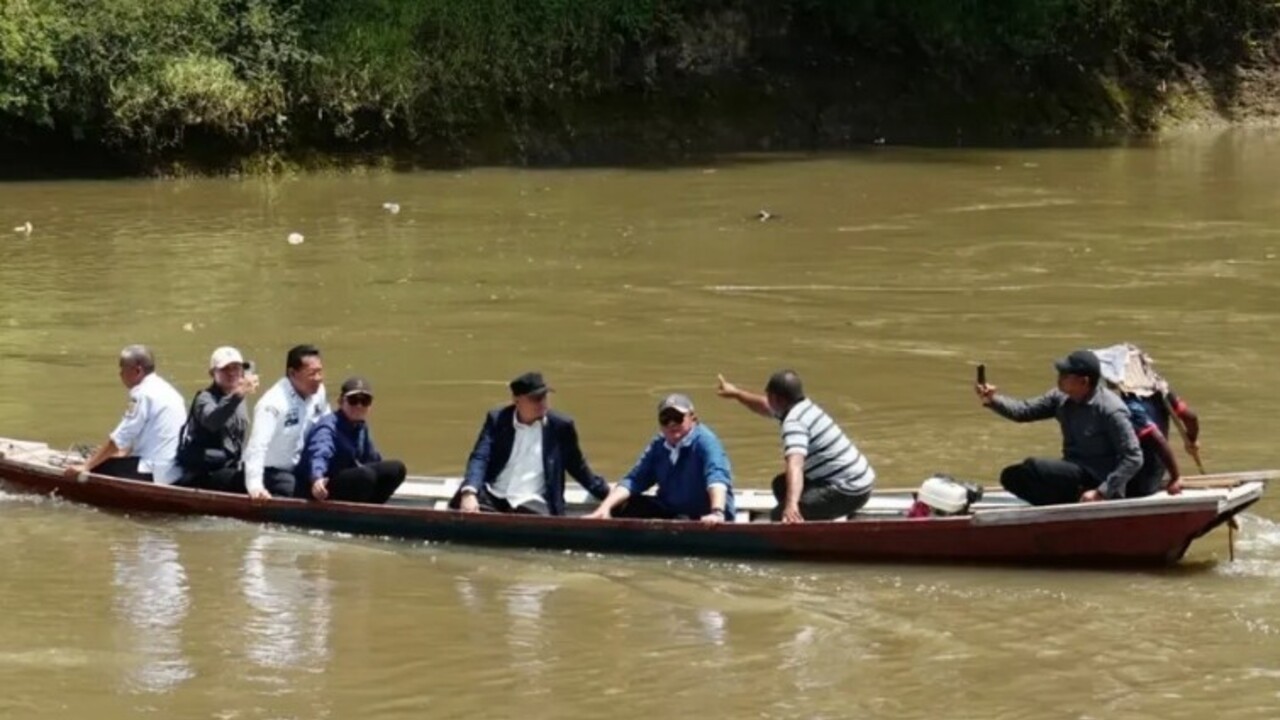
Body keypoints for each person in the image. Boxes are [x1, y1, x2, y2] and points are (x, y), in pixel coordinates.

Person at [977, 349, 1143, 505]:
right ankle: (1064, 506)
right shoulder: (1060, 398)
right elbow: (1023, 411)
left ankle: (1085, 500)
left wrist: (1101, 492)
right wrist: (993, 400)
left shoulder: (1111, 409)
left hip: (1099, 479)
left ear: (1083, 381)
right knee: (1011, 476)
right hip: (1073, 472)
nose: (1059, 378)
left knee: (1034, 465)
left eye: (1065, 375)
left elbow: (1133, 458)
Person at [718, 370, 875, 522]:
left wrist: (792, 506)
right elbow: (764, 406)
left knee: (779, 516)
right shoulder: (803, 406)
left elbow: (795, 464)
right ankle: (809, 520)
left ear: (777, 399)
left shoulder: (794, 423)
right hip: (857, 480)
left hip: (850, 490)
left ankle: (806, 534)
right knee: (781, 485)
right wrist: (736, 393)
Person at [453, 371, 610, 515]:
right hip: (495, 494)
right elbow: (480, 457)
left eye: (544, 397)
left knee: (537, 520)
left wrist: (606, 493)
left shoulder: (561, 426)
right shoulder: (497, 419)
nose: (542, 403)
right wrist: (469, 493)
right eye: (535, 399)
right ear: (516, 400)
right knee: (463, 509)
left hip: (534, 500)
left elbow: (578, 466)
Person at [586, 394, 734, 523]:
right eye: (665, 419)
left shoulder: (706, 441)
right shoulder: (659, 444)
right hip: (671, 511)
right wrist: (604, 508)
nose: (671, 424)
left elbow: (717, 478)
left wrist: (717, 512)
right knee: (623, 505)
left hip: (704, 516)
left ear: (693, 419)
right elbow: (634, 479)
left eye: (677, 417)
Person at [65, 345, 186, 483]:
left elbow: (121, 437)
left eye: (123, 369)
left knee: (98, 466)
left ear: (137, 371)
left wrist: (86, 466)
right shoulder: (166, 389)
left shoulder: (143, 394)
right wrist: (122, 453)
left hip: (154, 471)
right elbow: (145, 434)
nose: (120, 374)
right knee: (107, 458)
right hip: (173, 469)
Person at [297, 376, 407, 504]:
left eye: (365, 401)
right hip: (322, 486)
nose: (359, 406)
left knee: (396, 469)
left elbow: (372, 459)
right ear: (340, 401)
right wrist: (317, 478)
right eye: (353, 400)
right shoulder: (328, 427)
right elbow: (319, 453)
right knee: (365, 476)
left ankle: (374, 507)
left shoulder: (360, 426)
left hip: (351, 480)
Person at [242, 344, 329, 501]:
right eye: (312, 374)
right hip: (271, 471)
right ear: (292, 373)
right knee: (296, 489)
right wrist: (255, 487)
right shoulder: (272, 404)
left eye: (320, 372)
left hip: (301, 465)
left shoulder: (319, 392)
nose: (318, 378)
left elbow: (327, 428)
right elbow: (257, 448)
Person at [174, 346, 258, 492]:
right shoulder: (205, 398)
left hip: (230, 465)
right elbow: (212, 421)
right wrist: (237, 395)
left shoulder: (239, 396)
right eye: (225, 369)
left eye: (236, 368)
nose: (232, 373)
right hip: (206, 472)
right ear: (213, 373)